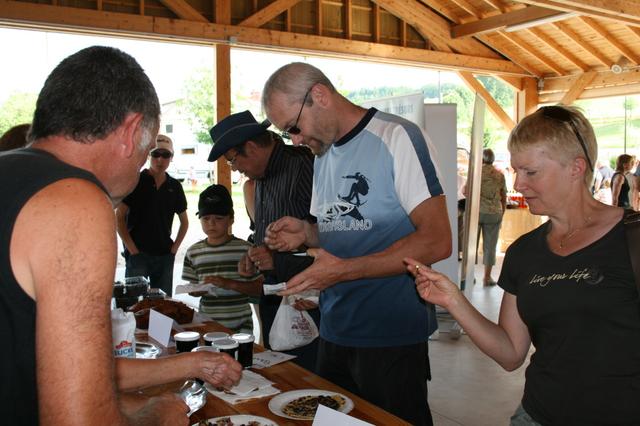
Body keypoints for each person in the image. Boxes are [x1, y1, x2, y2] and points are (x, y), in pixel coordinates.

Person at [405, 105, 640, 425]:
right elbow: (511, 352)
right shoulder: (524, 253)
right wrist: (453, 301)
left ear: (576, 167)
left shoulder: (631, 239)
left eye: (531, 172)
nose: (518, 184)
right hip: (537, 416)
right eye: (516, 171)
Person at [0, 45, 189, 424]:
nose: (141, 167)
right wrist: (158, 415)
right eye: (146, 150)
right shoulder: (76, 200)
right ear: (131, 130)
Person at [261, 62, 451, 426]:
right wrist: (305, 233)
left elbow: (437, 240)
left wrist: (344, 271)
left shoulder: (397, 137)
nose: (295, 140)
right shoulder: (323, 154)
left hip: (390, 331)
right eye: (288, 134)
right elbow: (339, 227)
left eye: (293, 128)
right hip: (335, 328)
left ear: (319, 96)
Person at [207, 110, 320, 371]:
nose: (235, 169)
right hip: (273, 293)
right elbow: (263, 231)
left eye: (233, 161)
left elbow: (329, 234)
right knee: (277, 373)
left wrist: (278, 260)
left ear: (251, 147)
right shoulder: (259, 177)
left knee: (306, 380)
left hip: (306, 296)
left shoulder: (303, 165)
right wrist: (253, 255)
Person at [182, 184, 262, 334]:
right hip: (208, 327)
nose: (211, 224)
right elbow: (191, 288)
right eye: (205, 218)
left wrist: (229, 284)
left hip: (241, 328)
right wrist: (199, 290)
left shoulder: (246, 249)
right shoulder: (193, 252)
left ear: (231, 219)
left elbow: (259, 288)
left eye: (218, 218)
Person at [116, 134, 189, 296]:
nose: (160, 160)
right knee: (133, 306)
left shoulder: (175, 186)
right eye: (156, 154)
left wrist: (174, 249)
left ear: (171, 157)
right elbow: (119, 218)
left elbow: (184, 222)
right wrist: (133, 250)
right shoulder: (135, 180)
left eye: (165, 155)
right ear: (149, 155)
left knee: (162, 308)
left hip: (164, 255)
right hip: (138, 255)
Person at [477, 148, 507, 286]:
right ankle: (487, 278)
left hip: (477, 213)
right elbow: (503, 196)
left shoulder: (476, 174)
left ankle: (467, 276)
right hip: (494, 213)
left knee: (472, 245)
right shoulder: (499, 175)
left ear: (482, 159)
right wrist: (502, 212)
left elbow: (466, 191)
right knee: (490, 246)